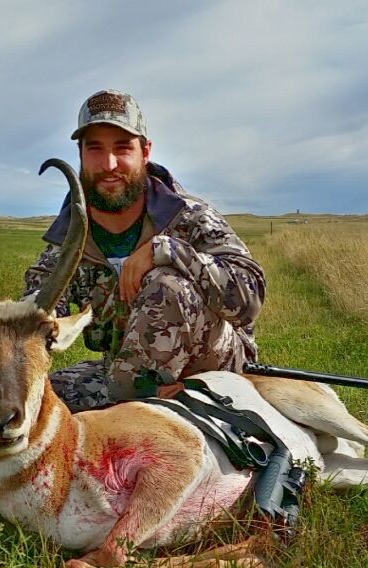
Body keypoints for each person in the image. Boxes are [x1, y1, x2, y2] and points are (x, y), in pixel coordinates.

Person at [24, 89, 266, 411]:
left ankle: (147, 405)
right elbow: (34, 306)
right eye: (95, 149)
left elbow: (248, 299)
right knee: (40, 399)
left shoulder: (190, 216)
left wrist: (166, 250)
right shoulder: (68, 242)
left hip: (212, 363)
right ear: (80, 155)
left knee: (166, 284)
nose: (109, 164)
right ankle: (144, 398)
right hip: (129, 371)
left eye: (122, 148)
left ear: (145, 152)